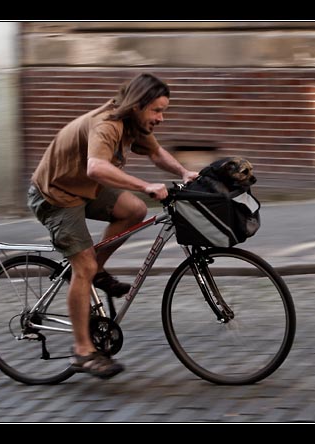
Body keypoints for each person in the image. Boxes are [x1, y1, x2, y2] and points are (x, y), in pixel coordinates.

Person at [27, 73, 199, 379]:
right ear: (138, 105)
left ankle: (97, 270)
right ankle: (83, 351)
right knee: (84, 268)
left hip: (83, 188)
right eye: (157, 111)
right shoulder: (107, 124)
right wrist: (146, 185)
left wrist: (184, 172)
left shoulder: (136, 123)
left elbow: (157, 153)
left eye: (164, 112)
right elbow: (96, 167)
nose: (161, 118)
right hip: (55, 194)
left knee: (134, 209)